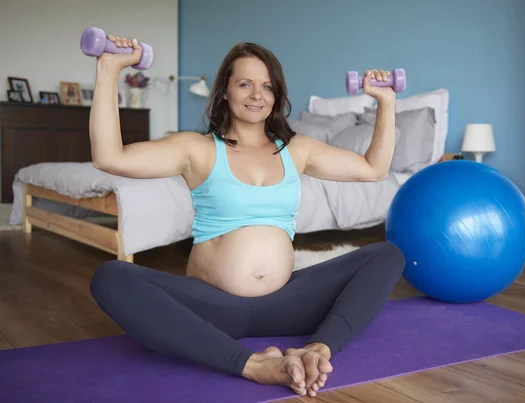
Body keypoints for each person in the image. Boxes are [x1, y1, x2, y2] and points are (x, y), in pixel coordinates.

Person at [89, 34, 406, 398]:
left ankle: (318, 349)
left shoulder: (297, 149)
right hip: (213, 307)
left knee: (387, 254)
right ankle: (251, 365)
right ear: (225, 91)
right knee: (111, 277)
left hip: (286, 304)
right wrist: (108, 69)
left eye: (267, 86)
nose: (258, 95)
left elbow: (373, 168)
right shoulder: (197, 148)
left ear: (277, 95)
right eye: (245, 84)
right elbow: (109, 157)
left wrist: (386, 101)